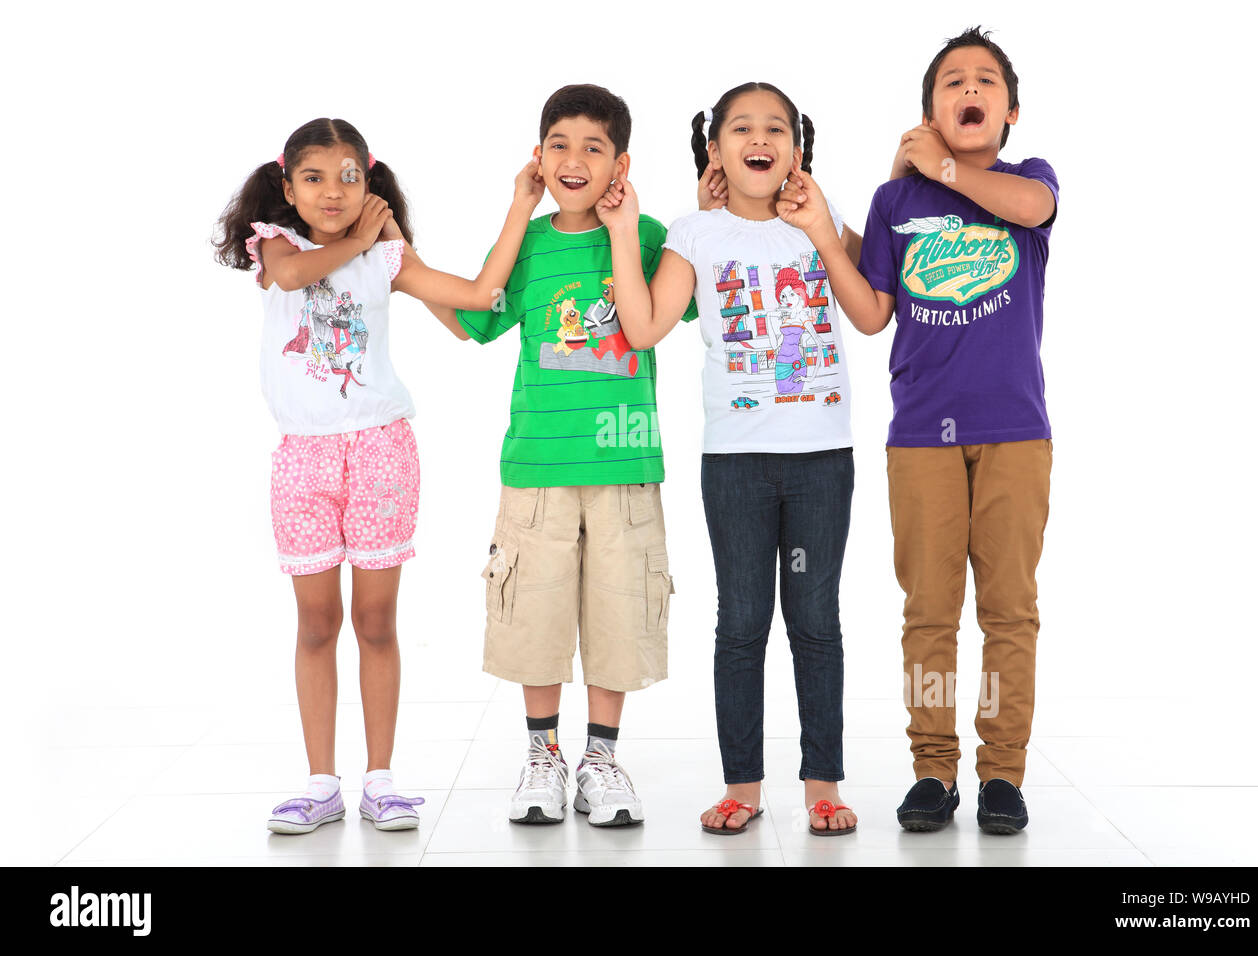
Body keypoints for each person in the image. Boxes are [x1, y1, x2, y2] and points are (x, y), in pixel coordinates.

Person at [214, 116, 541, 833]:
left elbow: (482, 294)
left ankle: (382, 781)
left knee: (375, 621)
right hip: (303, 457)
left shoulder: (386, 260)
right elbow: (296, 277)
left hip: (381, 451)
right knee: (315, 623)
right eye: (314, 177)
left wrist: (519, 206)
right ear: (287, 186)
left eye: (349, 176)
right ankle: (321, 782)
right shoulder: (277, 245)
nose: (333, 191)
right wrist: (365, 239)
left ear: (371, 179)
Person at [777, 26, 1058, 833]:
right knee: (929, 611)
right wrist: (826, 231)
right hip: (921, 437)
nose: (969, 89)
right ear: (928, 112)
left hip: (1015, 432)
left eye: (985, 82)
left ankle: (1002, 772)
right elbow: (869, 314)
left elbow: (1032, 208)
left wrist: (942, 166)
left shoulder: (1027, 182)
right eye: (951, 82)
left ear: (1009, 111)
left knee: (1009, 610)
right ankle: (934, 769)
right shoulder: (897, 203)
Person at [428, 85, 695, 828]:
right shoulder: (530, 243)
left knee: (618, 618)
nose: (574, 160)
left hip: (624, 467)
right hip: (538, 471)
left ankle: (601, 760)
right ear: (538, 156)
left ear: (621, 163)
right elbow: (474, 319)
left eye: (594, 147)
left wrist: (621, 229)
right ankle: (542, 756)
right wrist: (515, 211)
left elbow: (668, 313)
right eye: (559, 145)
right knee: (534, 617)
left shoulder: (646, 238)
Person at [600, 82, 862, 836]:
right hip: (737, 463)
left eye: (775, 127)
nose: (760, 137)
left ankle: (823, 784)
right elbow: (645, 327)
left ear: (797, 150)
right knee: (743, 622)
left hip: (821, 459)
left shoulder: (821, 219)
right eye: (741, 128)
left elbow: (870, 315)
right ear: (715, 150)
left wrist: (821, 227)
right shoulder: (693, 233)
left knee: (815, 620)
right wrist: (623, 229)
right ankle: (741, 786)